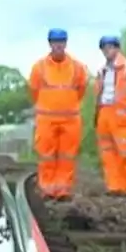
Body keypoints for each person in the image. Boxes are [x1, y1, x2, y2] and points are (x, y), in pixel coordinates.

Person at [28, 29, 88, 200]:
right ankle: (47, 190)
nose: (58, 45)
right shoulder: (39, 68)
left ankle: (63, 191)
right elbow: (34, 91)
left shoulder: (77, 67)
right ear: (50, 44)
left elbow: (81, 89)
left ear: (66, 43)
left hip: (70, 119)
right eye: (55, 42)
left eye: (61, 41)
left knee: (67, 156)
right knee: (47, 155)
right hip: (47, 119)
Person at [93, 35, 126, 196]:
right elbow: (98, 92)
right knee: (107, 152)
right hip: (104, 113)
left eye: (110, 47)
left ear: (117, 48)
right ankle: (114, 186)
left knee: (125, 152)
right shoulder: (101, 71)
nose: (106, 51)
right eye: (104, 48)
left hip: (121, 115)